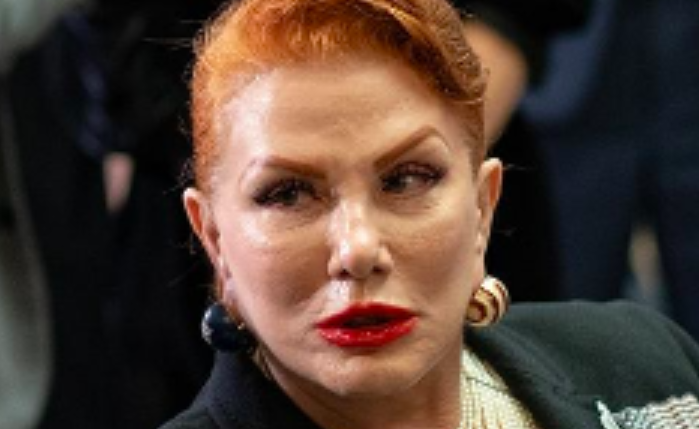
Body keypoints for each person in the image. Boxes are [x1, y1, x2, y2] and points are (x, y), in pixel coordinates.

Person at [161, 0, 699, 428]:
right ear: (213, 238)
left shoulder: (650, 373)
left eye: (406, 180)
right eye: (288, 194)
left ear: (483, 206)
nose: (358, 249)